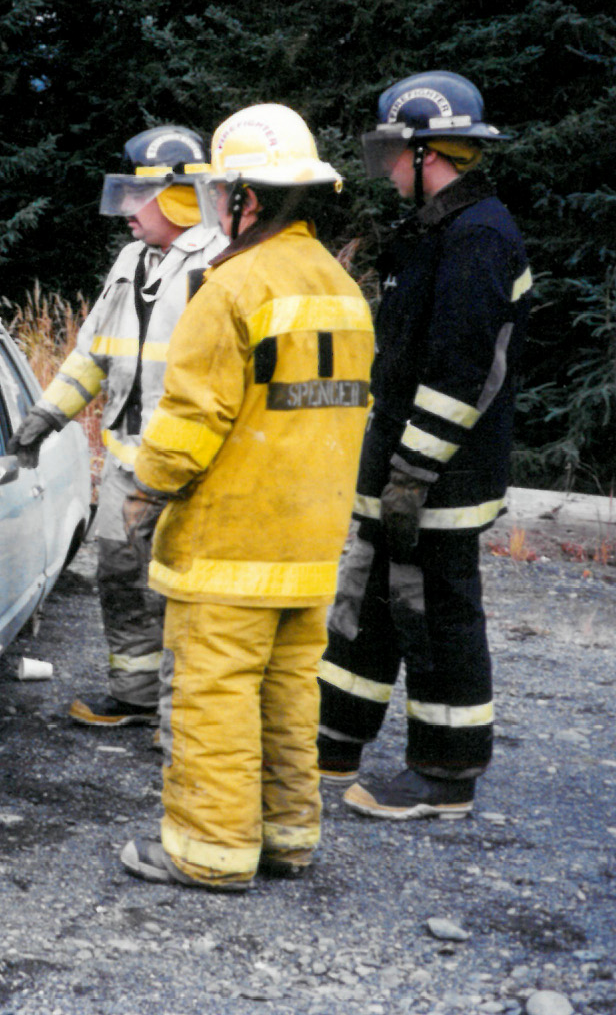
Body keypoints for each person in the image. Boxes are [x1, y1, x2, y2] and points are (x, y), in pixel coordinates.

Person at [117, 104, 373, 890]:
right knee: (289, 693)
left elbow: (191, 420)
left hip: (230, 545)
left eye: (219, 193)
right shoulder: (340, 287)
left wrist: (146, 492)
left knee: (214, 695)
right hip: (310, 545)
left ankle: (209, 851)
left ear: (246, 198)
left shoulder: (231, 288)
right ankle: (288, 838)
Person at [318, 72, 530, 821]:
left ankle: (446, 771)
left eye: (392, 154)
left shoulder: (479, 237)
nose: (386, 170)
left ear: (425, 152)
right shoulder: (437, 230)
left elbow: (462, 373)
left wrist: (412, 471)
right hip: (399, 467)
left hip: (439, 477)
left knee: (439, 613)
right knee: (368, 602)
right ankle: (335, 738)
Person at [10, 126, 229, 728]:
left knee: (183, 593)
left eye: (139, 196)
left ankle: (184, 717)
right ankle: (135, 697)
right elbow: (93, 354)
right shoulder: (132, 260)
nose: (127, 210)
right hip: (128, 464)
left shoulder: (220, 264)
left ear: (179, 196)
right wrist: (46, 416)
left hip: (190, 470)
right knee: (120, 578)